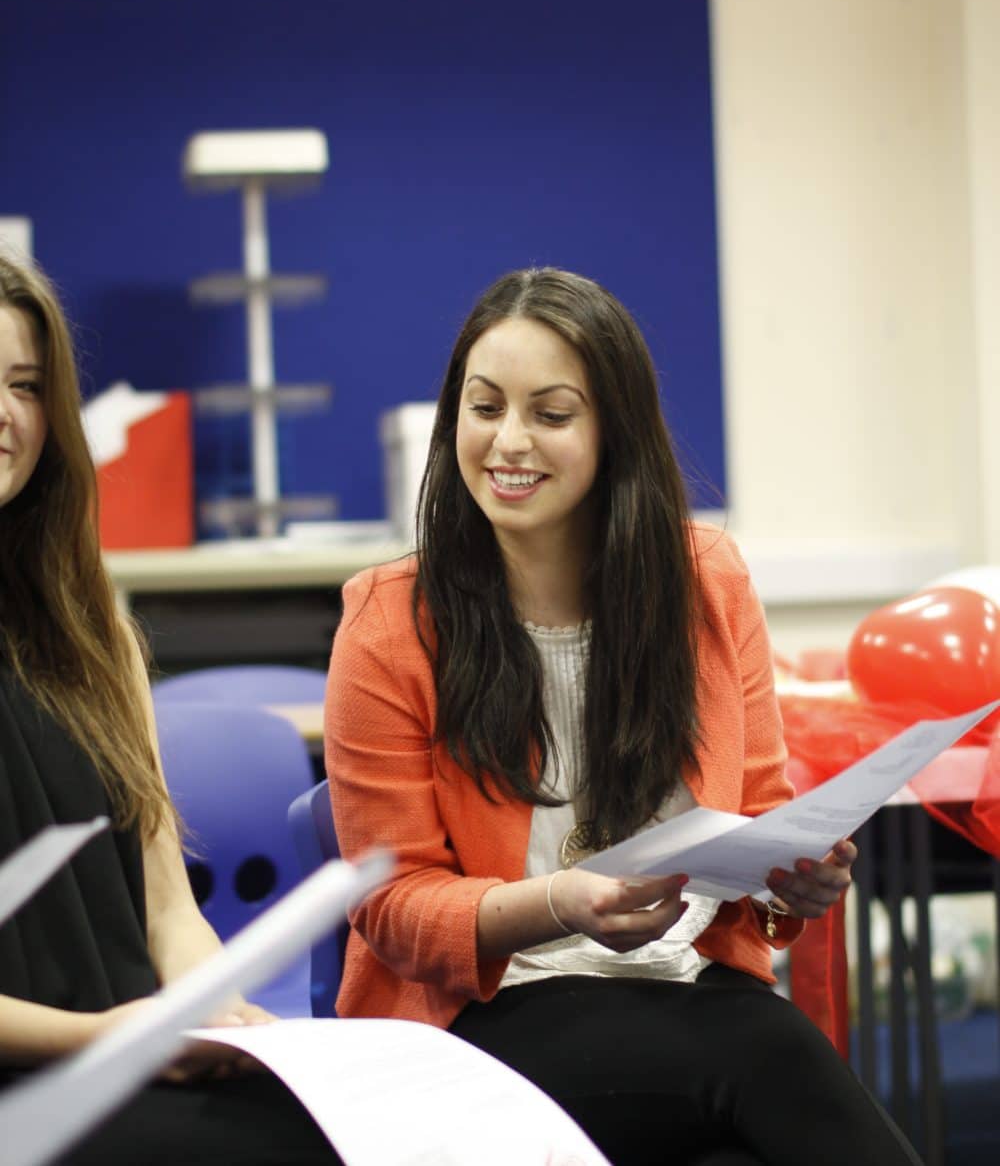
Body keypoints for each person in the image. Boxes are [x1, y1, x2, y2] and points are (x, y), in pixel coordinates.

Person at [325, 266, 924, 1166]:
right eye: (484, 408)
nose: (508, 442)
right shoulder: (389, 621)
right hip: (483, 1017)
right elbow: (393, 907)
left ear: (616, 430)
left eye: (551, 414)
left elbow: (758, 808)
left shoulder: (707, 582)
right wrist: (558, 904)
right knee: (768, 1051)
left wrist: (790, 879)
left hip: (686, 987)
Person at [0, 252, 337, 1165]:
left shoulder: (93, 632)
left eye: (25, 385)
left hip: (126, 1058)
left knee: (344, 1125)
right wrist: (107, 1038)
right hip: (43, 1080)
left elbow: (167, 910)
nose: (5, 413)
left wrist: (215, 1012)